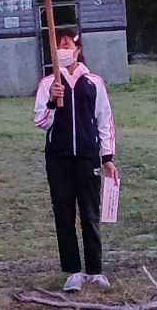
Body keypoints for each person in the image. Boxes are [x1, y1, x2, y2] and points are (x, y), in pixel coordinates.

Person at [33, 27, 117, 293]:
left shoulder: (93, 82)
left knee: (90, 212)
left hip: (87, 154)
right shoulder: (48, 84)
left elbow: (104, 120)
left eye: (67, 44)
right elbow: (40, 121)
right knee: (64, 212)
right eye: (58, 46)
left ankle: (95, 270)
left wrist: (107, 156)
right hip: (58, 157)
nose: (63, 50)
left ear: (78, 49)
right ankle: (73, 270)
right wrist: (51, 101)